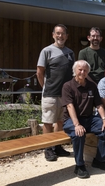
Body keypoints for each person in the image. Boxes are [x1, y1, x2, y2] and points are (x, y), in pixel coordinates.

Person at [62, 60, 105, 179]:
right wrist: (77, 124)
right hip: (71, 120)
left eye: (85, 70)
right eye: (80, 69)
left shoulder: (92, 86)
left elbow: (99, 105)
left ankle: (99, 160)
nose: (82, 72)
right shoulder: (68, 86)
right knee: (79, 134)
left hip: (89, 118)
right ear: (74, 71)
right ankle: (79, 166)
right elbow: (70, 106)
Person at [37, 24, 74, 161]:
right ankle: (48, 148)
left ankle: (57, 146)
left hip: (64, 94)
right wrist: (45, 87)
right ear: (53, 35)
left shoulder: (70, 53)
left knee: (60, 121)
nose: (60, 36)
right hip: (50, 94)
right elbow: (39, 72)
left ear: (67, 36)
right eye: (58, 33)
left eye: (63, 33)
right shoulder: (46, 51)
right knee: (48, 122)